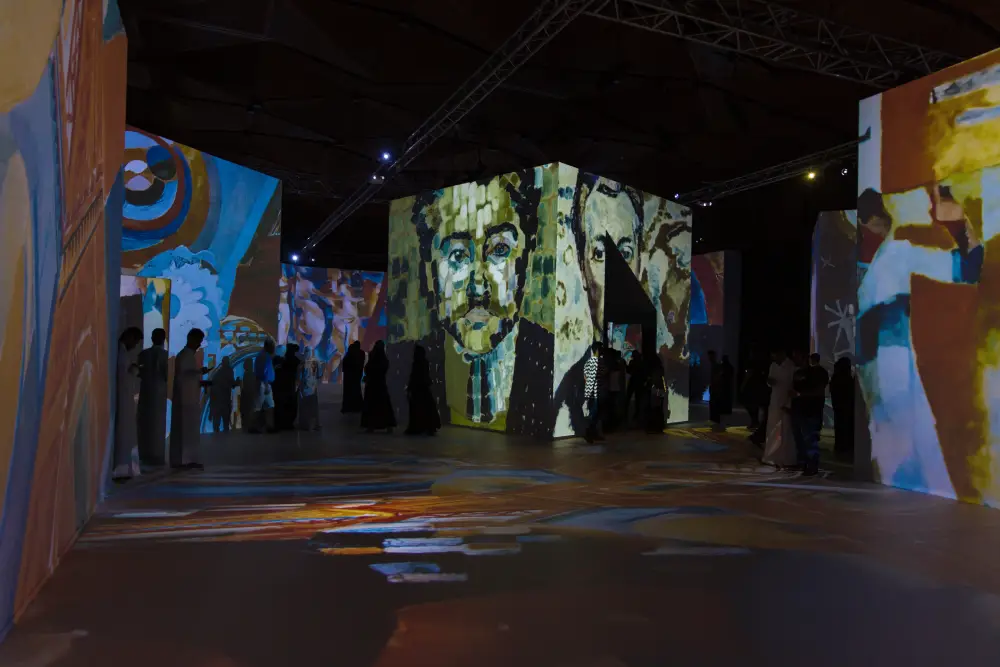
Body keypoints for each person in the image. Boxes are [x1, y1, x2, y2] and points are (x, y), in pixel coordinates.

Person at [170, 328, 208, 470]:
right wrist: (198, 372)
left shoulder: (189, 356)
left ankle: (190, 459)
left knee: (190, 431)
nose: (199, 344)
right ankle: (182, 461)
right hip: (184, 400)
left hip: (190, 399)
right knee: (183, 431)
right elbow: (184, 376)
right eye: (198, 340)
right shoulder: (184, 356)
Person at [112, 327, 143, 481]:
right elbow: (123, 375)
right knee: (124, 433)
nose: (135, 346)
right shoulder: (121, 353)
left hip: (126, 397)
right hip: (123, 398)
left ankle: (127, 468)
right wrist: (134, 370)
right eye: (135, 342)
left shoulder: (123, 352)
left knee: (127, 432)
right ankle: (122, 469)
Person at [791, 353, 830, 476]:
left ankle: (812, 465)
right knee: (800, 438)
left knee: (810, 438)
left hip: (812, 410)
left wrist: (800, 394)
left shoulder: (819, 373)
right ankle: (803, 462)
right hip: (799, 409)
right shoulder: (798, 373)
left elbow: (818, 391)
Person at [137, 327, 169, 466]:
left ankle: (145, 453)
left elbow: (139, 372)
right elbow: (166, 374)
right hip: (160, 393)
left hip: (146, 391)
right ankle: (157, 454)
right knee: (158, 423)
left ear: (152, 338)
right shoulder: (165, 355)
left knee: (145, 422)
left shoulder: (143, 354)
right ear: (164, 339)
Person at [761, 349, 797, 468]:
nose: (774, 358)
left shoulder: (791, 366)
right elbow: (770, 381)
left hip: (785, 401)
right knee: (773, 428)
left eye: (775, 355)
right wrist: (769, 382)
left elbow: (793, 386)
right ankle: (772, 456)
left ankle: (786, 458)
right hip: (774, 401)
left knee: (785, 430)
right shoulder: (773, 365)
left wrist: (788, 403)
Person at [405, 345, 441, 435]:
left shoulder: (416, 363)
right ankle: (429, 427)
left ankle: (418, 427)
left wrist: (409, 388)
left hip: (417, 389)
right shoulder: (425, 362)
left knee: (417, 409)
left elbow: (414, 376)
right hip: (424, 388)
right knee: (427, 408)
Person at [361, 340, 396, 432]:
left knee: (371, 405)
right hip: (381, 384)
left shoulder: (373, 358)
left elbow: (368, 369)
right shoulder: (384, 359)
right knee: (384, 405)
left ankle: (371, 425)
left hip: (372, 385)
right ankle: (388, 425)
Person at [830, 357, 855, 457]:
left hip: (838, 407)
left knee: (840, 427)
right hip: (847, 407)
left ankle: (840, 446)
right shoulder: (847, 379)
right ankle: (846, 447)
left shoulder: (835, 378)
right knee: (846, 427)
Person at [273, 344, 301, 430]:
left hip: (282, 386)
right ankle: (288, 423)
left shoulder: (281, 361)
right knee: (290, 405)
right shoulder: (295, 361)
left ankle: (281, 422)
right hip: (290, 386)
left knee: (282, 404)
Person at [252, 339, 277, 433]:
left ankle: (269, 426)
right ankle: (254, 427)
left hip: (265, 384)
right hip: (263, 383)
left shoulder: (263, 355)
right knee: (258, 406)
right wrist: (266, 384)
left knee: (269, 406)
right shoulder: (264, 356)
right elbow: (264, 371)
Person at [582, 342, 605, 443]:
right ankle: (588, 433)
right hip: (595, 394)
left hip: (598, 393)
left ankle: (593, 433)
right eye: (601, 349)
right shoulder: (593, 362)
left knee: (597, 415)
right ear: (597, 350)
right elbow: (590, 379)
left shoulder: (597, 361)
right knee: (594, 414)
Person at [210, 356, 236, 433]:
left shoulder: (217, 373)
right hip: (225, 401)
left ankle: (216, 438)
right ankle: (225, 438)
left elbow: (212, 390)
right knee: (226, 423)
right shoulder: (229, 370)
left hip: (216, 401)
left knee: (216, 424)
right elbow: (232, 383)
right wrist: (236, 382)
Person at [645, 355, 668, 434]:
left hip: (656, 390)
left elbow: (655, 380)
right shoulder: (661, 369)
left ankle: (656, 426)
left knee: (655, 408)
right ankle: (659, 426)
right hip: (660, 389)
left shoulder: (655, 370)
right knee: (658, 408)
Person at [341, 341, 365, 413]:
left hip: (349, 376)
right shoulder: (361, 353)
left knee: (349, 391)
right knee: (356, 390)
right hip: (357, 374)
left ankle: (349, 407)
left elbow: (344, 365)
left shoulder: (349, 354)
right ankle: (357, 406)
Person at [299, 354, 321, 431]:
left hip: (304, 389)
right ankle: (313, 425)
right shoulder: (316, 362)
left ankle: (305, 425)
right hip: (313, 389)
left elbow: (299, 378)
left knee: (305, 408)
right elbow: (319, 375)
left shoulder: (302, 364)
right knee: (313, 408)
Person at [605, 350, 626, 432]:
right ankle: (615, 425)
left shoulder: (612, 365)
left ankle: (614, 425)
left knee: (614, 408)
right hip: (615, 389)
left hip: (613, 389)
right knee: (615, 408)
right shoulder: (619, 364)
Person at [625, 351, 646, 425]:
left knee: (629, 398)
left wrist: (626, 366)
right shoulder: (641, 363)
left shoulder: (633, 362)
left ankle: (627, 415)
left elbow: (629, 371)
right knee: (638, 399)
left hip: (634, 381)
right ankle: (637, 415)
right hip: (639, 382)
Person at [240, 358, 258, 431]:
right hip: (251, 397)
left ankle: (248, 427)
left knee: (247, 413)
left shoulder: (247, 374)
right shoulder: (252, 374)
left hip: (247, 397)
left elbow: (247, 388)